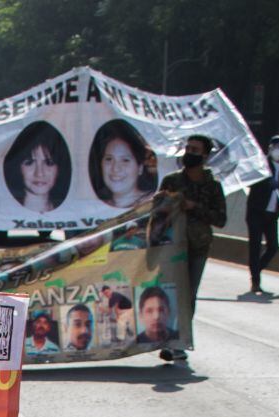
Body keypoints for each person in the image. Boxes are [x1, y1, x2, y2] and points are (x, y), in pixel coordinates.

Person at [154, 133, 225, 363]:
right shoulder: (172, 181)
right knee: (169, 294)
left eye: (195, 150)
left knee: (188, 296)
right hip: (171, 248)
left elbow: (220, 218)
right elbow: (156, 212)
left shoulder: (212, 186)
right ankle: (168, 340)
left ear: (205, 155)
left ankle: (180, 341)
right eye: (187, 149)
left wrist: (194, 207)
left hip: (197, 247)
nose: (189, 154)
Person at [245, 134, 279, 296]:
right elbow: (250, 181)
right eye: (276, 146)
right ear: (270, 148)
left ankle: (256, 269)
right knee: (255, 246)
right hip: (256, 212)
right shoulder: (262, 166)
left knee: (273, 246)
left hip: (272, 214)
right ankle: (256, 281)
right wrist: (266, 182)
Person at [4, 120, 70, 215]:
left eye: (49, 162)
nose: (39, 173)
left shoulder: (70, 212)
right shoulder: (4, 214)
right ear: (17, 167)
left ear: (59, 169)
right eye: (29, 162)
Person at [87, 119, 156, 209]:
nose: (115, 168)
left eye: (125, 160)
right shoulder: (93, 207)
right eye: (109, 159)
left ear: (140, 168)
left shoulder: (154, 203)